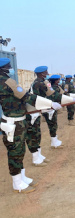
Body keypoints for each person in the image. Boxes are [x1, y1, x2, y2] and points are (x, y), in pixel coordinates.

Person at [0, 58, 61, 193]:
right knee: (15, 153)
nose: (11, 69)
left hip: (15, 121)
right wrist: (50, 104)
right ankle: (17, 184)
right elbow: (27, 97)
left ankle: (21, 178)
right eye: (9, 66)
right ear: (3, 68)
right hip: (13, 123)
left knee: (19, 151)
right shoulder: (6, 82)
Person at [26, 66, 75, 166]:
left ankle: (38, 155)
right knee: (33, 135)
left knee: (37, 133)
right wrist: (71, 100)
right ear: (42, 74)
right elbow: (53, 95)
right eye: (46, 72)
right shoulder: (39, 83)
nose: (47, 73)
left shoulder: (41, 82)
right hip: (32, 111)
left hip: (37, 109)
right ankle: (35, 158)